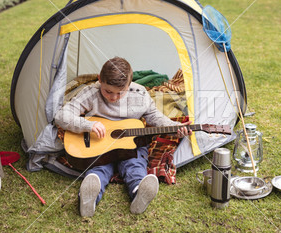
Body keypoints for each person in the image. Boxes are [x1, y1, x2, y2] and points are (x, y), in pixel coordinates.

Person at [54, 57, 192, 217]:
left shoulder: (139, 93)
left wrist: (174, 127)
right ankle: (90, 194)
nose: (113, 97)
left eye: (120, 93)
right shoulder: (91, 92)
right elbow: (62, 115)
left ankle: (139, 191)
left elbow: (154, 117)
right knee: (99, 167)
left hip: (131, 143)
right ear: (100, 79)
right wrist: (88, 125)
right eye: (108, 91)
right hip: (98, 143)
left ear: (130, 83)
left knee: (134, 163)